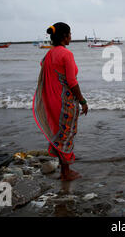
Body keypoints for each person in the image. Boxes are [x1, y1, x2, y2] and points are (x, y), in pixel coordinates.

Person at [33, 22, 88, 181]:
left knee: (59, 134)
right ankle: (66, 172)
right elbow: (71, 81)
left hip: (50, 100)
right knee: (66, 134)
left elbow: (45, 69)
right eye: (70, 34)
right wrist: (82, 101)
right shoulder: (66, 54)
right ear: (64, 36)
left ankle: (64, 171)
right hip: (64, 101)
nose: (71, 36)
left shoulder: (48, 55)